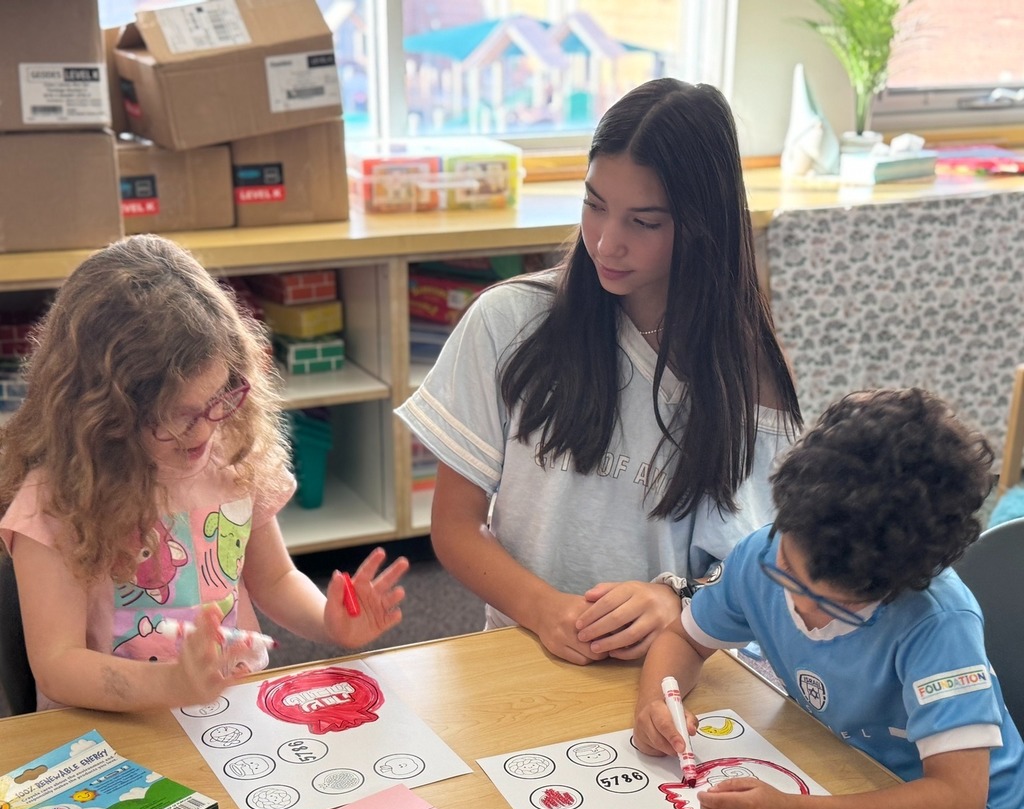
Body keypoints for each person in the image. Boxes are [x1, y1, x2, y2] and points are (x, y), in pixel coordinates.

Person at [396, 79, 802, 666]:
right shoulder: (508, 321)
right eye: (594, 204)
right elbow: (455, 527)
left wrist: (676, 601)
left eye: (644, 222)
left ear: (701, 226)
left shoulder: (748, 370)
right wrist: (541, 609)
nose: (607, 243)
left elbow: (760, 567)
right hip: (524, 652)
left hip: (677, 670)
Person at [0, 234, 408, 714]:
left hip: (225, 712)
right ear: (102, 413)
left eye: (218, 398)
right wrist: (170, 685)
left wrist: (330, 622)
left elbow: (274, 578)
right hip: (108, 731)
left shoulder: (231, 453)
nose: (205, 431)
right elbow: (58, 664)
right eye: (177, 415)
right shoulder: (59, 498)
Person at [634, 388, 1024, 809]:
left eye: (833, 606)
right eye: (786, 571)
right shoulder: (761, 554)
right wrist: (656, 700)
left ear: (898, 585)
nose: (798, 603)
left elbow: (958, 804)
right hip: (843, 779)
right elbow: (683, 641)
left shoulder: (936, 623)